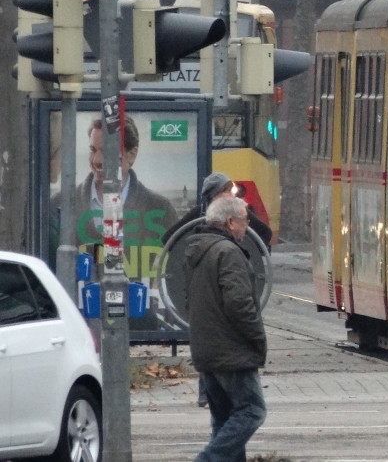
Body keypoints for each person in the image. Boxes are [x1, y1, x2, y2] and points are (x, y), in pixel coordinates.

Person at [185, 194, 268, 462]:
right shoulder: (228, 252)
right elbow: (239, 303)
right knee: (252, 411)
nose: (248, 226)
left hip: (206, 349)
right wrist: (257, 337)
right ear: (230, 222)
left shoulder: (199, 250)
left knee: (224, 419)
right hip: (231, 351)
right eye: (245, 220)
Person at [53, 117, 178, 246]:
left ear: (131, 155)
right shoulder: (59, 203)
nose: (97, 160)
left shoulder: (161, 209)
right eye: (93, 150)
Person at [163, 172, 273, 250]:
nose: (231, 195)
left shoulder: (240, 211)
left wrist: (249, 252)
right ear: (215, 194)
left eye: (231, 190)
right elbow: (169, 238)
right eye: (227, 190)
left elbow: (265, 233)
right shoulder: (199, 212)